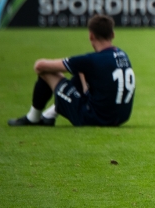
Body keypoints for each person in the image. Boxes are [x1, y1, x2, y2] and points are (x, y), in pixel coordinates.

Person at [7, 14, 136, 127]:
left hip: (93, 118)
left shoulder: (90, 60)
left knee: (46, 71)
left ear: (91, 36)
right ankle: (49, 115)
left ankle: (33, 118)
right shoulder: (123, 54)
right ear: (112, 34)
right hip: (120, 118)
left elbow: (39, 66)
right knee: (81, 72)